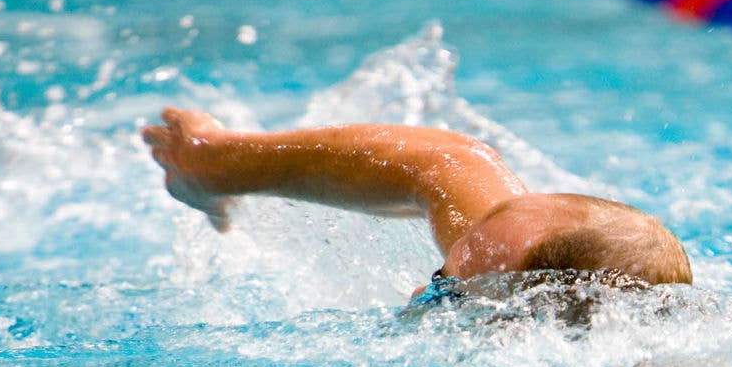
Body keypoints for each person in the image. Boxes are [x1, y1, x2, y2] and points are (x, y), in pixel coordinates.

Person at [142, 108, 692, 291]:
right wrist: (219, 162)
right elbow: (446, 161)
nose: (423, 287)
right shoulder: (503, 246)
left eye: (449, 288)